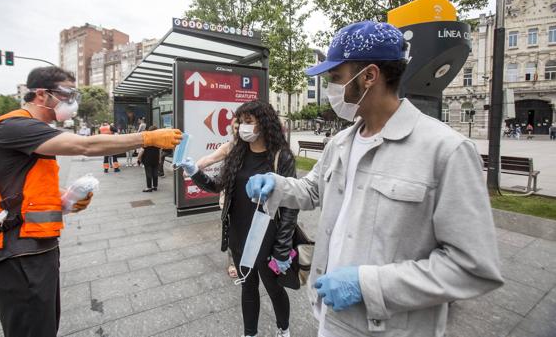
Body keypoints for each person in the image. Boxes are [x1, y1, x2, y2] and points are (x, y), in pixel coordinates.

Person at [246, 21, 504, 337]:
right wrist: (278, 184)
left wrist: (368, 285)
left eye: (336, 78)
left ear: (369, 76)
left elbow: (472, 266)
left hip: (388, 329)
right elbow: (314, 189)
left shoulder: (446, 151)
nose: (331, 90)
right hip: (331, 316)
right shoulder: (341, 142)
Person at [0, 66, 181, 337]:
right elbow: (86, 146)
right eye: (68, 93)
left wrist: (64, 200)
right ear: (41, 95)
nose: (73, 100)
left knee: (44, 326)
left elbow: (21, 189)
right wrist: (147, 138)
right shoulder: (14, 125)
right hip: (13, 251)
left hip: (31, 247)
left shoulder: (31, 130)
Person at [181, 101, 298, 337]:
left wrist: (282, 247)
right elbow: (218, 186)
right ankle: (250, 333)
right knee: (248, 285)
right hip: (238, 232)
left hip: (267, 235)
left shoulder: (281, 157)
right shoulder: (238, 153)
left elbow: (290, 206)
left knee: (273, 287)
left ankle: (283, 329)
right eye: (240, 122)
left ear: (264, 124)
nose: (241, 127)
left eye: (248, 122)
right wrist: (195, 172)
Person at [196, 118, 239, 278]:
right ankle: (233, 263)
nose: (239, 129)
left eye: (241, 125)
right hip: (232, 201)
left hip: (254, 202)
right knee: (233, 235)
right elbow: (209, 159)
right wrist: (194, 167)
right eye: (235, 127)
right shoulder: (229, 147)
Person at [139, 126, 161, 192]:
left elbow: (142, 150)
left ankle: (149, 187)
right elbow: (159, 150)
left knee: (148, 174)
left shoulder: (147, 139)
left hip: (147, 160)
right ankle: (155, 186)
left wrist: (139, 158)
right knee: (155, 173)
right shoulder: (158, 140)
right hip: (155, 159)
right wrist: (159, 159)